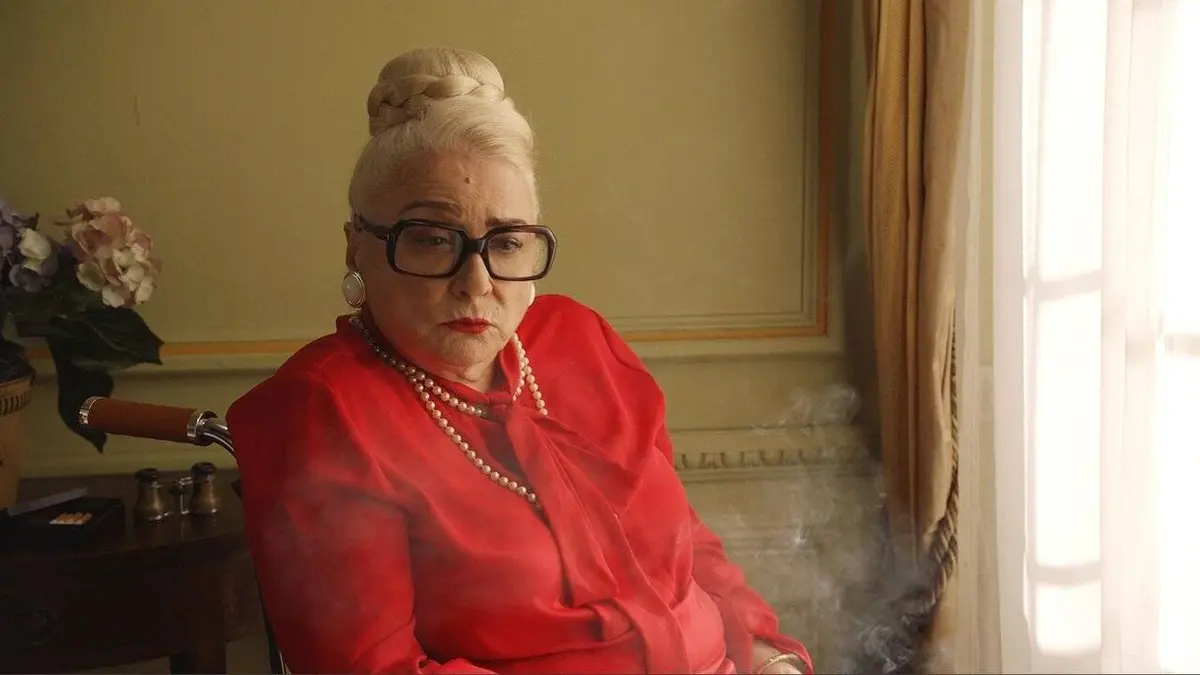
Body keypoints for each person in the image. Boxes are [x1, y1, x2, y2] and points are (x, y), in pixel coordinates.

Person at [226, 46, 813, 675]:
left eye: (506, 243)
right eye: (433, 240)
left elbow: (687, 546)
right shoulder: (322, 411)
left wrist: (767, 656)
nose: (477, 283)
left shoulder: (579, 340)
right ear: (356, 248)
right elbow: (374, 668)